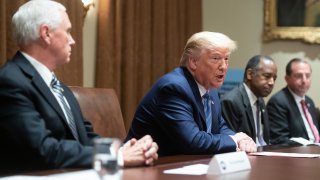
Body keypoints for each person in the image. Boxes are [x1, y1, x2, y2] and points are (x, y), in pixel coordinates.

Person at [0, 0, 158, 174]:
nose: (73, 41)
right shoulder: (10, 81)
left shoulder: (58, 86)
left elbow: (85, 136)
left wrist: (129, 149)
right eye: (68, 32)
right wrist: (116, 155)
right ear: (46, 33)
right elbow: (42, 149)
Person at [125, 31, 257, 156]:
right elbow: (193, 141)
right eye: (216, 58)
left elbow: (219, 127)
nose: (223, 66)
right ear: (193, 62)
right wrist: (234, 140)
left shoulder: (211, 90)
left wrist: (241, 139)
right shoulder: (174, 88)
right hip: (147, 167)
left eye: (226, 59)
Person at [221, 55, 277, 146]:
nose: (272, 82)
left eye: (274, 78)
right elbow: (231, 142)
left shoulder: (260, 100)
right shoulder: (231, 101)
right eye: (267, 76)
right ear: (250, 74)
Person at [267, 58, 319, 145]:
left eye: (308, 75)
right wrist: (311, 146)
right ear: (287, 79)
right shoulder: (278, 102)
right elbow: (279, 140)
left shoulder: (309, 101)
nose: (304, 80)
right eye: (299, 76)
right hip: (298, 154)